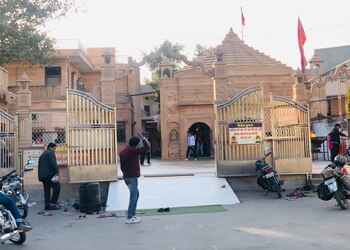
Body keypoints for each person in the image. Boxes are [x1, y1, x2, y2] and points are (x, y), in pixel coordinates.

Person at [119, 133, 150, 224]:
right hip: (131, 177)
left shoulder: (123, 151)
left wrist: (125, 173)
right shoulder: (132, 151)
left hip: (127, 176)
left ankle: (133, 214)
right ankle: (129, 217)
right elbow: (147, 148)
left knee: (136, 195)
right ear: (136, 144)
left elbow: (122, 166)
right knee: (133, 196)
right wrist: (143, 139)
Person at [38, 142, 61, 210]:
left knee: (47, 190)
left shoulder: (43, 154)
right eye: (54, 148)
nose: (55, 150)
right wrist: (57, 171)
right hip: (49, 175)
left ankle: (47, 205)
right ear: (51, 147)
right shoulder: (50, 153)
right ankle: (52, 203)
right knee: (57, 187)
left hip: (43, 176)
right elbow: (53, 163)